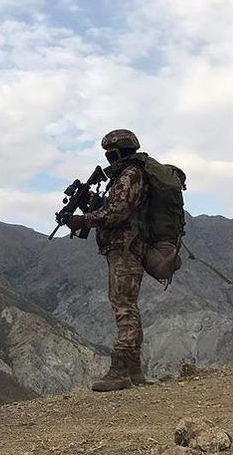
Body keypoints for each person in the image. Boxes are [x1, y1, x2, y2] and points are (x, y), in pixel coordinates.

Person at [65, 129, 149, 392]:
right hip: (124, 247)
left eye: (110, 153)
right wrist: (93, 202)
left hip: (126, 247)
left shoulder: (130, 175)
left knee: (123, 305)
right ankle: (134, 369)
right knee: (128, 305)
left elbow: (118, 211)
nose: (108, 158)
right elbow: (116, 206)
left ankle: (120, 370)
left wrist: (84, 219)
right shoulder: (129, 176)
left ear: (117, 151)